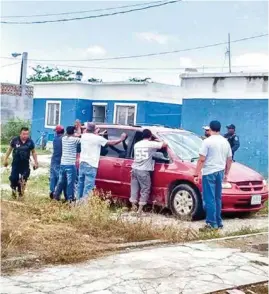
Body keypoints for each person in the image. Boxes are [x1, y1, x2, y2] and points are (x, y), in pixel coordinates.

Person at [193, 120, 233, 231]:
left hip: (209, 172)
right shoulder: (225, 142)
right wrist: (226, 174)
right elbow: (229, 159)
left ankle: (211, 223)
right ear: (220, 129)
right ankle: (219, 222)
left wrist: (196, 173)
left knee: (209, 198)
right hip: (220, 172)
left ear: (210, 128)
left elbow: (201, 159)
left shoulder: (207, 142)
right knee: (217, 198)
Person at [77, 122, 127, 201]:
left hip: (82, 163)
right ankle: (84, 205)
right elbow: (112, 143)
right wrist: (121, 139)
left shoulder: (84, 136)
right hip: (91, 164)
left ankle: (78, 201)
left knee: (81, 184)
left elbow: (86, 134)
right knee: (88, 186)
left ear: (87, 129)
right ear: (94, 130)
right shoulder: (98, 139)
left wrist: (100, 133)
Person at [130, 129, 167, 214]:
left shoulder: (136, 144)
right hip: (144, 170)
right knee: (145, 189)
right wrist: (160, 140)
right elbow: (165, 145)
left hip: (134, 169)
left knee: (134, 189)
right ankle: (140, 210)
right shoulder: (150, 144)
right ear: (150, 136)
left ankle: (133, 208)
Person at [3, 127, 38, 198]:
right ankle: (13, 191)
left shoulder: (30, 142)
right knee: (14, 178)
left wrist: (36, 162)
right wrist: (5, 159)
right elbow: (9, 150)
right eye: (23, 134)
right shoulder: (15, 140)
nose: (25, 136)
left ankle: (21, 194)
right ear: (20, 133)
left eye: (27, 134)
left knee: (24, 179)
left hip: (25, 164)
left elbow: (33, 152)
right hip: (16, 164)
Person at [54, 126, 80, 203]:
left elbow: (68, 134)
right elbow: (83, 139)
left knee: (61, 181)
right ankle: (70, 199)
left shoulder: (63, 139)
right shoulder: (75, 140)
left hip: (63, 163)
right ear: (73, 132)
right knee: (70, 182)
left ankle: (56, 195)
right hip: (70, 165)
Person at [49, 125, 65, 200]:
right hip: (60, 160)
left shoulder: (56, 139)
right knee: (59, 177)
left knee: (53, 177)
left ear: (57, 132)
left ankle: (52, 191)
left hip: (54, 160)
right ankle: (57, 193)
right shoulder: (63, 139)